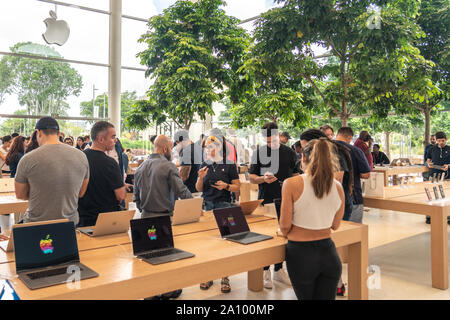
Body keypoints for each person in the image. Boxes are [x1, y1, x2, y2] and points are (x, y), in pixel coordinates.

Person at [280, 138, 344, 300]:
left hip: (301, 255)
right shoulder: (337, 186)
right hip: (329, 254)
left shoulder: (291, 184)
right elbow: (335, 225)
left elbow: (285, 226)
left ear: (302, 158)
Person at [133, 135, 191, 300]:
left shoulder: (140, 167)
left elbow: (136, 198)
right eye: (171, 149)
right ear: (165, 149)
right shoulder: (168, 166)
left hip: (144, 217)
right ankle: (168, 290)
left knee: (149, 257)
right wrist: (196, 206)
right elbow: (182, 192)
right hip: (164, 218)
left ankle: (150, 293)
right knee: (166, 257)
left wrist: (144, 209)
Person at [300, 129, 354, 296]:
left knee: (333, 242)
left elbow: (336, 179)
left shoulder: (335, 153)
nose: (306, 150)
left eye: (306, 145)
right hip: (323, 204)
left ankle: (336, 283)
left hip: (336, 205)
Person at [249, 122, 298, 289]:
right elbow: (251, 177)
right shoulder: (259, 153)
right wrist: (263, 179)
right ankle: (265, 270)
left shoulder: (290, 152)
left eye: (273, 140)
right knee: (264, 235)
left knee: (283, 234)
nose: (270, 144)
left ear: (279, 136)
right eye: (267, 141)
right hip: (265, 199)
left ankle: (278, 269)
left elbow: (297, 175)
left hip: (285, 199)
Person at [14, 117, 89, 225]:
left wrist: (40, 193)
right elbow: (81, 192)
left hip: (36, 224)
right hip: (69, 224)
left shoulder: (28, 159)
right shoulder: (81, 156)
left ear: (38, 133)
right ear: (59, 133)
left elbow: (20, 194)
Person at [195, 135, 241, 293]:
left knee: (224, 243)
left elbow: (237, 187)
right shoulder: (204, 164)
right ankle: (208, 275)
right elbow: (199, 188)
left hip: (224, 206)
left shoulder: (229, 165)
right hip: (208, 206)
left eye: (210, 146)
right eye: (205, 147)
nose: (207, 150)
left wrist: (226, 186)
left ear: (219, 147)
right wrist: (200, 178)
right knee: (208, 243)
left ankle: (224, 277)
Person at [77, 121, 126, 227]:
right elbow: (121, 195)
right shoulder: (110, 163)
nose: (115, 140)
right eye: (112, 137)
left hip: (82, 218)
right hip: (105, 221)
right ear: (100, 139)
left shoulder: (79, 157)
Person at [335, 127, 370, 225]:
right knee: (354, 231)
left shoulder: (325, 149)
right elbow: (366, 174)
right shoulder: (355, 150)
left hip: (328, 197)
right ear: (350, 137)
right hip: (352, 195)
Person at [425, 131, 450, 225]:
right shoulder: (432, 149)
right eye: (439, 141)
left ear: (446, 139)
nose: (440, 143)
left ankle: (448, 216)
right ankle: (430, 216)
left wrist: (448, 165)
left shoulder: (449, 149)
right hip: (434, 175)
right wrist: (429, 163)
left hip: (447, 175)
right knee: (432, 195)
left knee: (447, 195)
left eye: (442, 141)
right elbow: (428, 159)